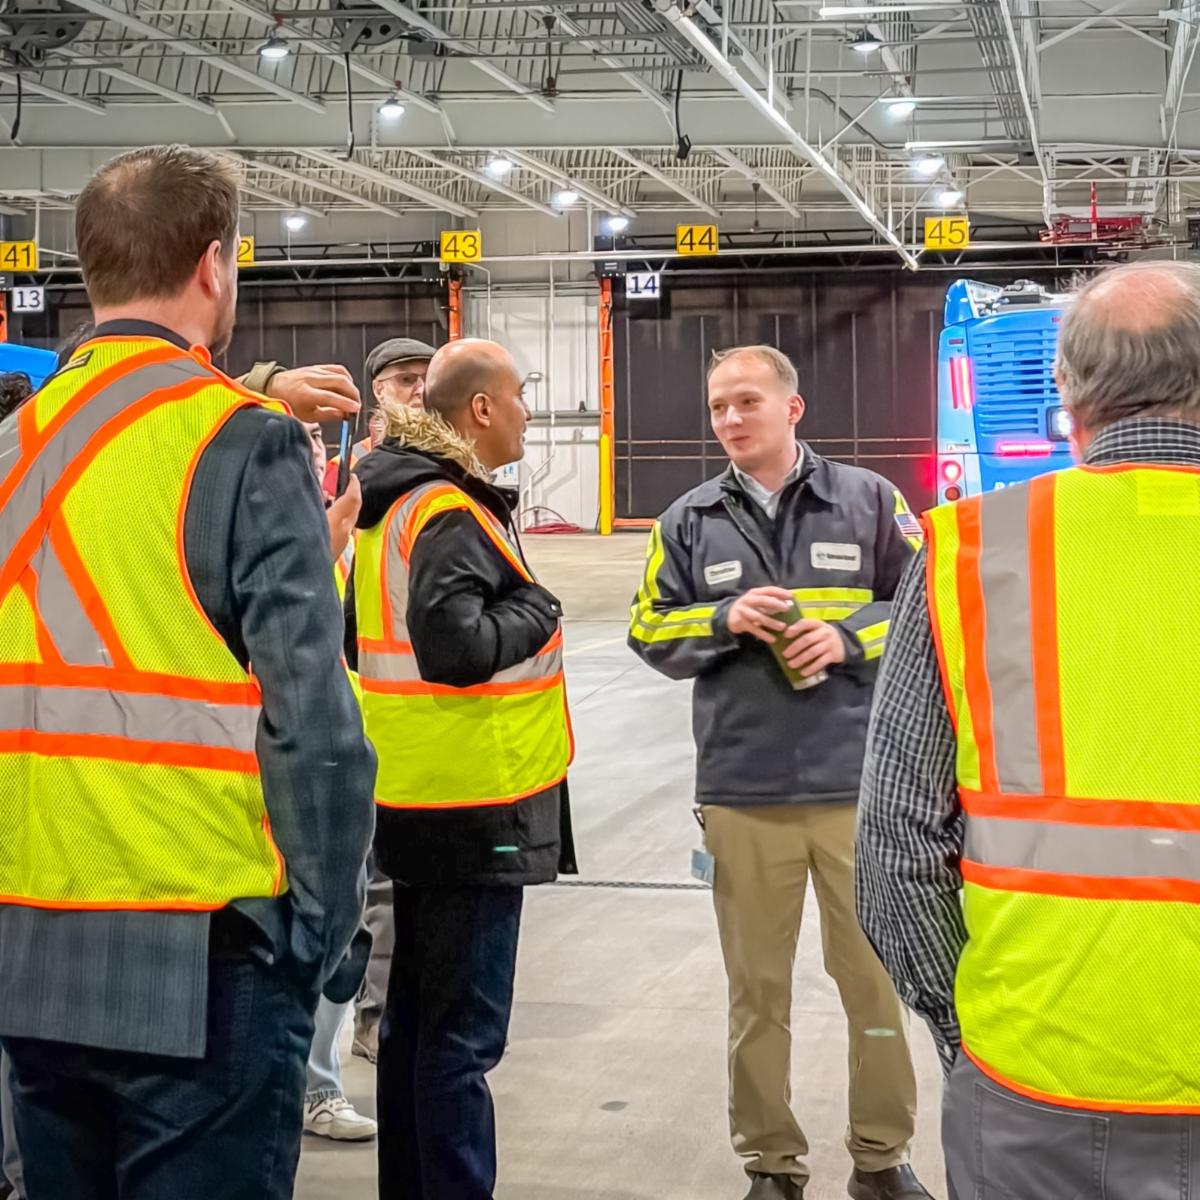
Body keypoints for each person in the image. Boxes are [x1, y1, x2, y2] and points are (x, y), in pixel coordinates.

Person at [0, 144, 376, 1200]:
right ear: (215, 267)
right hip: (201, 955)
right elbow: (317, 727)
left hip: (27, 944)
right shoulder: (243, 442)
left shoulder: (14, 445)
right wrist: (324, 933)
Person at [857, 259, 1200, 1200]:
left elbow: (893, 853)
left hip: (1034, 1082)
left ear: (1070, 395)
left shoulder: (970, 553)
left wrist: (970, 1037)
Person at [628, 345, 932, 1200]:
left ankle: (881, 1158)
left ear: (792, 409)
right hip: (743, 792)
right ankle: (771, 1163)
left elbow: (922, 608)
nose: (730, 419)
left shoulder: (869, 501)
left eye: (747, 402)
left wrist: (845, 640)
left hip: (855, 790)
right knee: (756, 996)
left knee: (874, 988)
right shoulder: (687, 520)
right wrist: (725, 617)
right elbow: (649, 630)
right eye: (719, 405)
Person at [345, 337, 577, 1200]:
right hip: (476, 807)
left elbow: (354, 639)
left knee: (416, 1029)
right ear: (480, 408)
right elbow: (454, 648)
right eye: (518, 394)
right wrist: (538, 606)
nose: (524, 409)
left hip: (412, 798)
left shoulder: (389, 505)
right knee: (461, 1043)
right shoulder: (445, 508)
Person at [298, 421, 376, 1143]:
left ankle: (318, 1085)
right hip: (259, 768)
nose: (315, 454)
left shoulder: (337, 532)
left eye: (319, 444)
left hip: (328, 756)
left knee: (340, 935)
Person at [322, 336, 435, 498]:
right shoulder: (343, 469)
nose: (421, 390)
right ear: (379, 390)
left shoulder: (460, 459)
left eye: (429, 379)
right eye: (406, 379)